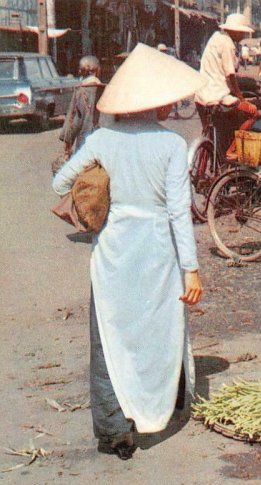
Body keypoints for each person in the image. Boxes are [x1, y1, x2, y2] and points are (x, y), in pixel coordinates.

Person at [51, 44, 204, 460]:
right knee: (160, 330)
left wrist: (97, 180)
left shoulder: (103, 138)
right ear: (158, 101)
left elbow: (60, 183)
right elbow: (179, 212)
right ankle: (162, 407)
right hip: (158, 253)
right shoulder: (171, 145)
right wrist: (190, 269)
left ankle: (115, 430)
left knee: (110, 339)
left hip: (114, 251)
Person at [195, 13, 260, 161]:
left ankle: (211, 156)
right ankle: (231, 150)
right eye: (242, 31)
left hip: (200, 96)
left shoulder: (215, 37)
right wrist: (242, 99)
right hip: (217, 95)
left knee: (210, 133)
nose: (243, 34)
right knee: (254, 113)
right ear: (236, 31)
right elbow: (230, 76)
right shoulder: (228, 44)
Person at [59, 55, 105, 158]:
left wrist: (68, 145)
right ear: (97, 70)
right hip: (104, 145)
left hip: (84, 146)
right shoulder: (106, 91)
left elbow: (74, 121)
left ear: (81, 71)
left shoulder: (80, 91)